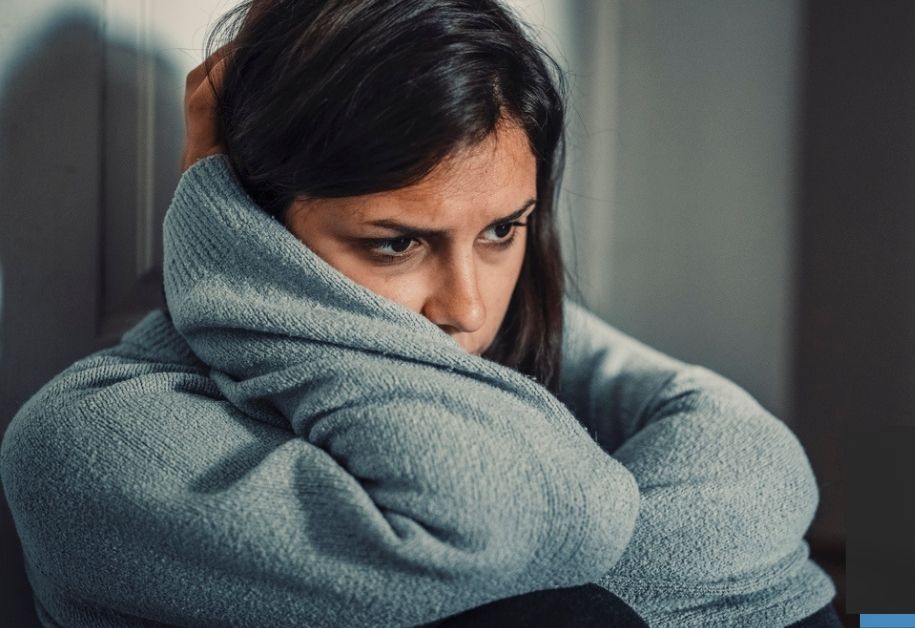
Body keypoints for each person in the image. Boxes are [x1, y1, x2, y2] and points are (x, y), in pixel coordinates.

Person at [0, 1, 840, 626]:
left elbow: (747, 449)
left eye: (502, 230)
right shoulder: (86, 441)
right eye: (395, 244)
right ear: (244, 222)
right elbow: (499, 520)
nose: (466, 306)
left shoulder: (504, 325)